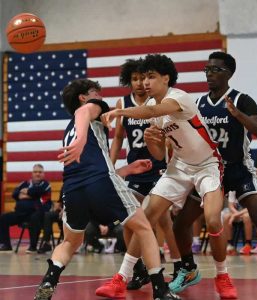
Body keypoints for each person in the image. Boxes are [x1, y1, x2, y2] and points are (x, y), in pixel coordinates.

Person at [99, 54, 236, 298]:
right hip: (179, 166)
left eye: (151, 77)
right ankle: (120, 278)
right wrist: (155, 142)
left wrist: (119, 112)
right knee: (146, 217)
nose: (145, 83)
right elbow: (160, 155)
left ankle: (222, 276)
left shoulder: (177, 97)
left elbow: (151, 108)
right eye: (142, 78)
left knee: (213, 220)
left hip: (208, 165)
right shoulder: (155, 115)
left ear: (166, 78)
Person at [34, 79, 179, 300]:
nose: (100, 96)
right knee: (144, 228)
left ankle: (49, 279)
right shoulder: (91, 109)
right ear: (83, 97)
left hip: (73, 187)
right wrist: (82, 139)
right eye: (95, 92)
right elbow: (83, 113)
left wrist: (127, 170)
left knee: (70, 241)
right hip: (99, 181)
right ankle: (160, 289)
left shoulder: (68, 129)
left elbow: (93, 165)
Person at [172, 52, 257, 298]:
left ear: (229, 73)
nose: (209, 73)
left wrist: (238, 115)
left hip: (239, 169)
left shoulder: (242, 100)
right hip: (210, 171)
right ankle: (188, 269)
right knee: (181, 224)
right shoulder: (197, 104)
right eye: (207, 69)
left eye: (215, 69)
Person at [110, 58, 181, 289]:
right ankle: (140, 269)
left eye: (143, 78)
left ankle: (179, 264)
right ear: (128, 81)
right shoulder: (123, 102)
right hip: (135, 168)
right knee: (130, 222)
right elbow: (119, 136)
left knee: (164, 221)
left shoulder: (157, 101)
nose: (140, 82)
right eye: (135, 78)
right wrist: (112, 166)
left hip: (158, 166)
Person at [0, 164, 52, 253]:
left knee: (34, 218)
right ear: (32, 173)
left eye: (40, 172)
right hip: (21, 213)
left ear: (43, 174)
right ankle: (6, 245)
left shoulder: (46, 184)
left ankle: (33, 246)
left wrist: (27, 192)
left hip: (36, 213)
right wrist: (31, 195)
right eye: (35, 172)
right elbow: (15, 193)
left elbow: (38, 192)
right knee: (3, 217)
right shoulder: (24, 183)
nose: (37, 174)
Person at [223, 191, 253, 255]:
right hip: (237, 212)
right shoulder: (232, 191)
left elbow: (250, 207)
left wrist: (236, 215)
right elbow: (230, 206)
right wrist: (237, 214)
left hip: (249, 212)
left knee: (246, 217)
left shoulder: (247, 189)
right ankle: (230, 244)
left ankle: (248, 244)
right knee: (226, 217)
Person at [38, 189, 63, 254]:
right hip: (61, 211)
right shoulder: (65, 186)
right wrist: (57, 207)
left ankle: (65, 240)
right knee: (48, 215)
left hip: (73, 211)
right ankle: (47, 243)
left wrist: (65, 210)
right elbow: (60, 201)